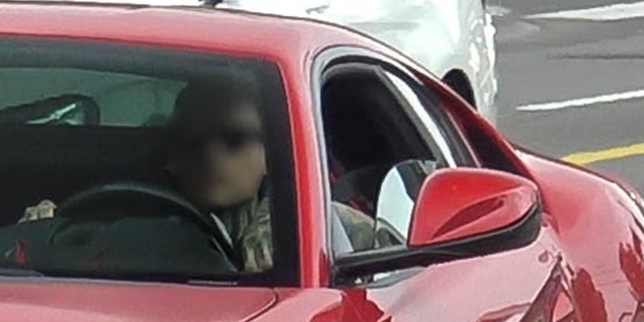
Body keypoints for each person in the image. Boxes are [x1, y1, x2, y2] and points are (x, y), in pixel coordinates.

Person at [19, 74, 385, 273]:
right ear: (171, 158)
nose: (213, 156)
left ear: (268, 157)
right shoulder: (111, 224)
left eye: (234, 140)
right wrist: (41, 239)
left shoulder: (333, 232)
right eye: (195, 142)